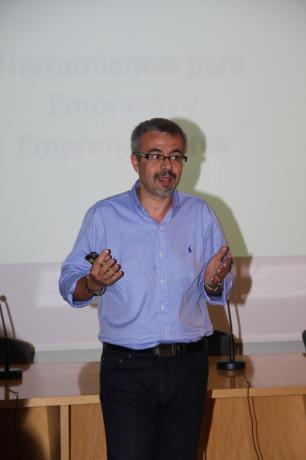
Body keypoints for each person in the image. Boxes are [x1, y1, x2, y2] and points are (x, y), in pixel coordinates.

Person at [59, 117, 233, 460]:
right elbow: (69, 284)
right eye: (156, 155)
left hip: (189, 366)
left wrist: (214, 281)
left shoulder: (201, 215)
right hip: (127, 370)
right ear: (135, 161)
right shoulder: (104, 215)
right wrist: (93, 283)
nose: (167, 165)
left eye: (176, 156)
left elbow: (219, 286)